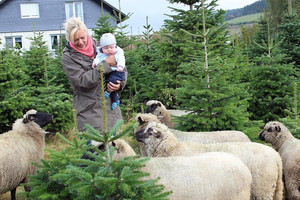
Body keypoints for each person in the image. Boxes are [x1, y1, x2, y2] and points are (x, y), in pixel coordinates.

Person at [61, 17, 127, 133]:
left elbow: (122, 68)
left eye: (82, 37)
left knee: (112, 150)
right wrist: (105, 65)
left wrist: (119, 84)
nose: (80, 42)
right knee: (91, 150)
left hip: (110, 111)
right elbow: (81, 80)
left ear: (87, 34)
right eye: (76, 40)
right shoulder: (68, 57)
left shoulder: (102, 46)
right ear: (69, 39)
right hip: (89, 113)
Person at [92, 33, 125, 110]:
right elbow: (98, 59)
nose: (109, 50)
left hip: (117, 72)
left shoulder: (118, 52)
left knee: (112, 81)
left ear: (115, 46)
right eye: (106, 48)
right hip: (108, 73)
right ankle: (116, 100)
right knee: (108, 83)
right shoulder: (101, 54)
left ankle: (109, 92)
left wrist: (120, 66)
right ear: (102, 48)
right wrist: (95, 63)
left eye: (111, 47)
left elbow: (121, 59)